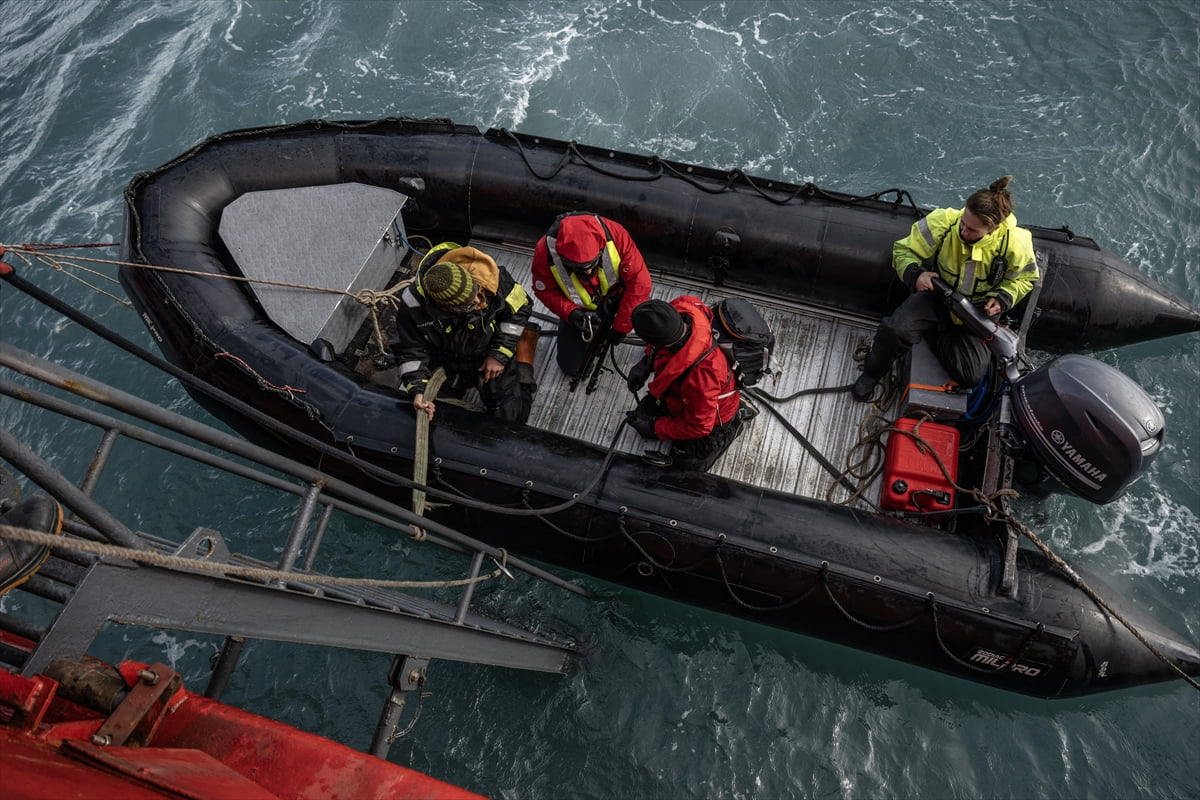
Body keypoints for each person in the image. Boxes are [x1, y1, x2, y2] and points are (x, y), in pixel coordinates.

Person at [853, 175, 1040, 401]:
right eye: (964, 223)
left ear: (993, 229)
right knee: (896, 329)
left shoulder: (1016, 243)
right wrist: (916, 274)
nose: (964, 232)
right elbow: (903, 251)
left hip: (976, 313)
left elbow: (1026, 279)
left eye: (973, 230)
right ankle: (872, 373)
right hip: (937, 296)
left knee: (970, 375)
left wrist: (1003, 298)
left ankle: (930, 332)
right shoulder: (943, 221)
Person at [393, 246, 534, 423]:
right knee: (433, 416)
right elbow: (410, 348)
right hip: (446, 363)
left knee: (512, 419)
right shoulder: (413, 304)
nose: (477, 301)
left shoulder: (493, 278)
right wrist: (417, 389)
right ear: (443, 308)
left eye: (476, 292)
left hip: (489, 355)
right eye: (468, 306)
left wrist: (500, 354)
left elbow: (521, 307)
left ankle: (525, 368)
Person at [625, 297, 746, 472]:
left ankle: (735, 422)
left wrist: (654, 426)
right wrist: (645, 363)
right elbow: (658, 346)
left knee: (685, 468)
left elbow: (699, 426)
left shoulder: (702, 375)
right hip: (679, 397)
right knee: (643, 419)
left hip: (711, 416)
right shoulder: (682, 308)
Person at [530, 212, 653, 376]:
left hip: (619, 300)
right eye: (579, 267)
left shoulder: (615, 235)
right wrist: (571, 313)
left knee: (657, 323)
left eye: (591, 264)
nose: (587, 271)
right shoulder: (544, 252)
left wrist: (621, 327)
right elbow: (544, 290)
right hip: (581, 313)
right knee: (572, 367)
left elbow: (639, 283)